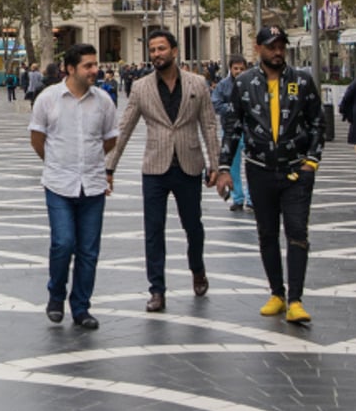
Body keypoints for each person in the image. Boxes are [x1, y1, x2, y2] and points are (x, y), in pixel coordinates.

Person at [106, 30, 219, 313]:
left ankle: (198, 268)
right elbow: (124, 128)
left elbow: (208, 125)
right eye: (152, 50)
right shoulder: (141, 87)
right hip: (155, 168)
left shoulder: (198, 83)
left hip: (189, 164)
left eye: (161, 49)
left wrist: (215, 164)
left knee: (193, 226)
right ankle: (157, 289)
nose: (156, 54)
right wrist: (109, 167)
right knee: (153, 231)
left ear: (174, 51)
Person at [216, 26, 323, 324]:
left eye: (281, 46)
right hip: (260, 170)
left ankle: (296, 299)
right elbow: (233, 128)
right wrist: (224, 168)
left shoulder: (301, 80)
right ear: (258, 48)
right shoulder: (245, 83)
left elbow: (317, 123)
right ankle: (277, 292)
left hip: (295, 170)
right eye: (271, 46)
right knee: (266, 234)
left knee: (297, 232)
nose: (277, 52)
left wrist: (311, 163)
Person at [29, 44, 118, 330]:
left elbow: (110, 139)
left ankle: (81, 307)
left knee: (89, 251)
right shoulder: (48, 99)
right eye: (88, 66)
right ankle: (56, 295)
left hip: (92, 184)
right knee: (63, 242)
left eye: (95, 64)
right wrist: (55, 162)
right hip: (58, 184)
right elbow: (37, 138)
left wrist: (91, 162)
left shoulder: (104, 100)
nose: (95, 70)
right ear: (70, 68)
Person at [211, 55, 252, 212]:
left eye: (242, 68)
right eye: (236, 68)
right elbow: (215, 103)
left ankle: (251, 199)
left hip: (249, 130)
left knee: (252, 165)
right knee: (232, 167)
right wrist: (234, 109)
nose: (239, 71)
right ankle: (238, 198)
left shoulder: (251, 84)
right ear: (230, 69)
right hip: (229, 130)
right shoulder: (223, 85)